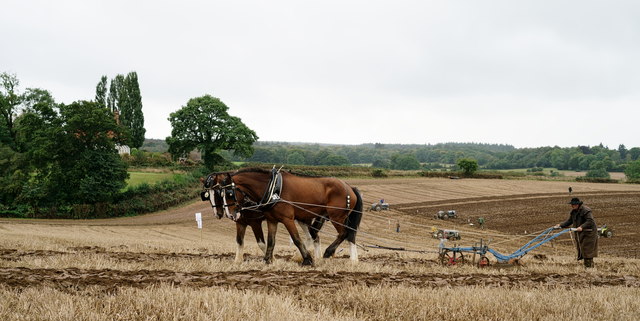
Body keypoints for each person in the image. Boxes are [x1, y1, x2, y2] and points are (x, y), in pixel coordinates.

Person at [554, 198, 598, 268]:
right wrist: (560, 225)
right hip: (581, 233)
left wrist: (582, 227)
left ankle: (589, 267)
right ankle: (587, 266)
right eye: (572, 204)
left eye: (574, 204)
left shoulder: (586, 210)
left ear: (578, 204)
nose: (572, 206)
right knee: (582, 250)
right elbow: (569, 221)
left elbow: (590, 221)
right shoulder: (574, 212)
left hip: (589, 233)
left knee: (587, 251)